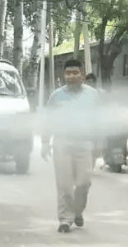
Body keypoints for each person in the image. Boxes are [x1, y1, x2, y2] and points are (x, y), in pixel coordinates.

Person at [42, 59, 99, 233]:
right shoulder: (56, 96)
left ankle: (77, 212)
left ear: (82, 75)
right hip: (62, 145)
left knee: (83, 183)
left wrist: (100, 144)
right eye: (68, 73)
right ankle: (65, 220)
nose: (71, 76)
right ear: (63, 75)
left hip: (85, 145)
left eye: (75, 73)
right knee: (65, 186)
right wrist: (45, 142)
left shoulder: (92, 95)